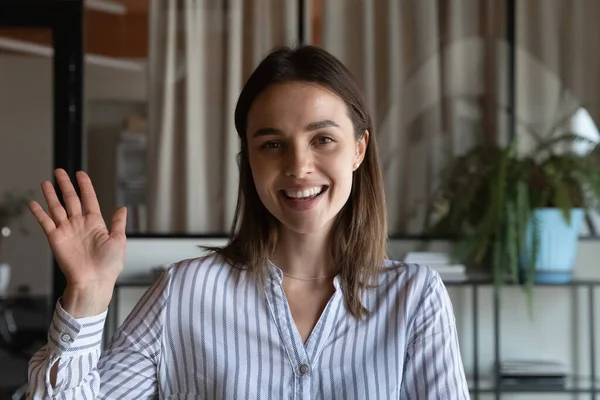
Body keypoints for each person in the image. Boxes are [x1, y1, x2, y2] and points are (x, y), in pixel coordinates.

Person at [27, 45, 469, 399]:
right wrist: (86, 294)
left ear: (358, 149)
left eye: (323, 139)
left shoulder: (414, 300)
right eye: (273, 145)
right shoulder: (185, 294)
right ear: (249, 162)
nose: (299, 167)